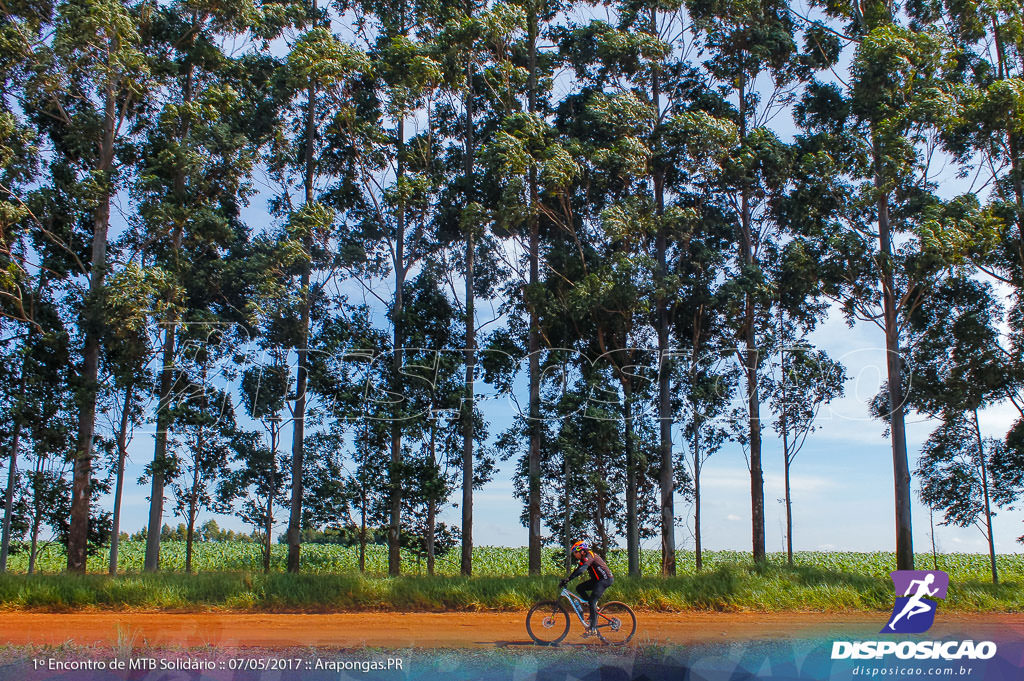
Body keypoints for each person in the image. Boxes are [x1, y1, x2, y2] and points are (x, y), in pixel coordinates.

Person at [559, 539, 613, 636]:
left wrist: (568, 579)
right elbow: (577, 570)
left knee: (592, 600)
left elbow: (582, 570)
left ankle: (593, 628)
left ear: (582, 551)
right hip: (597, 580)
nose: (574, 555)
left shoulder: (590, 556)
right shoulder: (584, 559)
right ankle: (591, 607)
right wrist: (568, 579)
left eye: (575, 552)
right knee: (579, 588)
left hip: (605, 579)